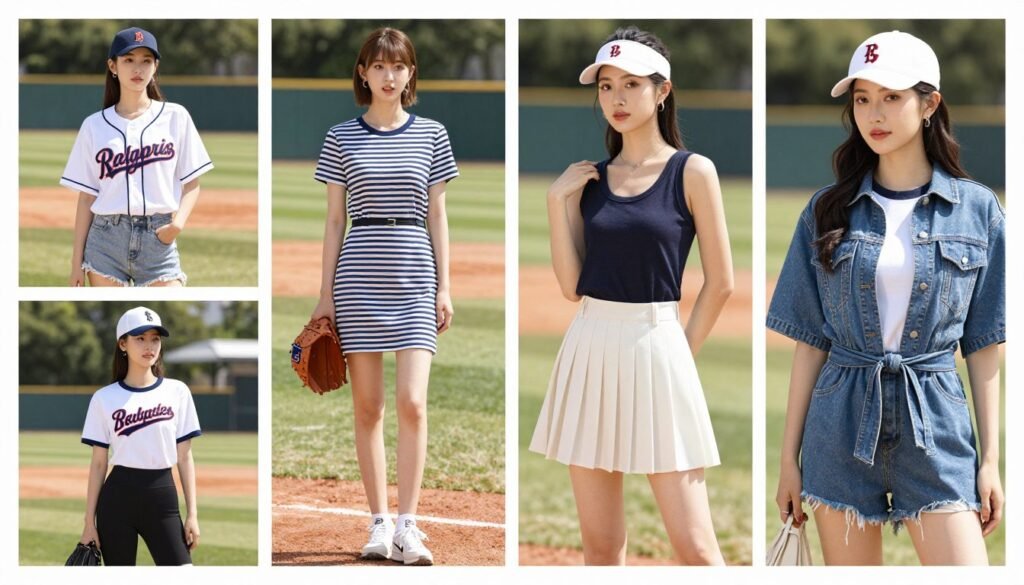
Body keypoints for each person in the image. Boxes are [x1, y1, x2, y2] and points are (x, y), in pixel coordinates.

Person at [768, 30, 1005, 565]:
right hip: (840, 421)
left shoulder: (978, 210)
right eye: (862, 98)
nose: (873, 113)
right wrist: (789, 459)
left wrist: (990, 460)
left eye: (891, 97)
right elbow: (811, 342)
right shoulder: (827, 210)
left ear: (929, 105)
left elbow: (985, 343)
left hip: (937, 423)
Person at [528, 26, 733, 565]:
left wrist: (678, 356)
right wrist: (557, 204)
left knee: (693, 544)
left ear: (662, 91)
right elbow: (572, 287)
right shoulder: (588, 179)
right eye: (605, 86)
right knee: (600, 543)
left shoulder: (693, 171)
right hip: (590, 343)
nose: (616, 98)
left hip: (658, 339)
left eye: (631, 85)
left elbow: (722, 281)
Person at [311, 26, 458, 566]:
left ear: (410, 73)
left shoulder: (433, 135)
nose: (389, 75)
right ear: (363, 73)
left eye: (399, 66)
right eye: (379, 65)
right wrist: (324, 296)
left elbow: (438, 213)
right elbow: (333, 221)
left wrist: (446, 284)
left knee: (412, 404)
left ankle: (409, 525)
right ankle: (377, 523)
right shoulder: (340, 136)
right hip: (357, 276)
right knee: (368, 407)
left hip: (415, 273)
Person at [61, 26, 213, 287]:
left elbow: (192, 183)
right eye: (128, 60)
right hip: (105, 239)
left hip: (159, 237)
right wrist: (76, 263)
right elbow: (86, 197)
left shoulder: (175, 116)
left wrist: (177, 225)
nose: (138, 69)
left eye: (146, 61)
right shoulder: (94, 125)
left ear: (155, 67)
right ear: (113, 65)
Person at [79, 306, 202, 565]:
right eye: (140, 338)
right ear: (122, 344)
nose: (150, 346)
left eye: (155, 339)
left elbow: (185, 457)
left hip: (162, 496)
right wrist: (89, 522)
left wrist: (192, 514)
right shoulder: (104, 398)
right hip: (117, 499)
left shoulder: (177, 391)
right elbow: (99, 463)